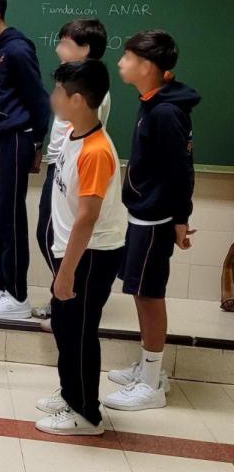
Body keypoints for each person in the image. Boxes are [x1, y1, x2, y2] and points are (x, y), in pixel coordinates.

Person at [104, 30, 199, 411]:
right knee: (141, 291)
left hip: (156, 217)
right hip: (146, 213)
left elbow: (181, 171)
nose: (120, 63)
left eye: (126, 58)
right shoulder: (153, 102)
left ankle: (152, 382)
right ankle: (148, 368)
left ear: (147, 66)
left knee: (149, 294)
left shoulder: (165, 112)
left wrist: (180, 218)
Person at [35, 60, 126, 436]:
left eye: (59, 91)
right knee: (65, 324)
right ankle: (71, 393)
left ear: (77, 99)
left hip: (91, 255)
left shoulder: (96, 151)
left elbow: (87, 217)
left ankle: (87, 414)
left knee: (80, 331)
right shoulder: (75, 135)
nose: (53, 97)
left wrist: (67, 271)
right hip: (73, 253)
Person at [0, 0, 51, 320]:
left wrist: (38, 144)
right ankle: (4, 287)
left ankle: (17, 293)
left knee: (10, 215)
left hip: (16, 139)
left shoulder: (17, 49)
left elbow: (38, 100)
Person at [33, 19, 111, 324]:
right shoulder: (70, 82)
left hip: (69, 170)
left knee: (53, 235)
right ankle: (62, 294)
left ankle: (65, 295)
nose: (58, 48)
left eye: (65, 42)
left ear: (85, 49)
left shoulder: (90, 89)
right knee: (48, 235)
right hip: (58, 164)